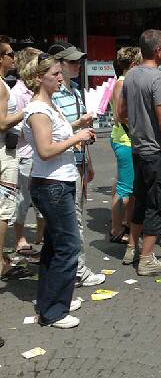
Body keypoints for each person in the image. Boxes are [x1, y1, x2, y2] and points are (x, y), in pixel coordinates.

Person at [23, 53, 96, 328]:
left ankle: (52, 300)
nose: (60, 77)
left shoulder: (49, 106)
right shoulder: (39, 110)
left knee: (55, 245)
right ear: (39, 77)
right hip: (51, 184)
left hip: (59, 182)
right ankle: (54, 311)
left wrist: (78, 127)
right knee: (68, 245)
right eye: (54, 74)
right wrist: (76, 137)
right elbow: (44, 150)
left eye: (59, 73)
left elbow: (55, 136)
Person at [118, 29, 161, 273]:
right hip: (154, 151)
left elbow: (120, 113)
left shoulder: (130, 75)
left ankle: (132, 248)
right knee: (158, 202)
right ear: (158, 51)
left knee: (140, 200)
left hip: (137, 149)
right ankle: (146, 258)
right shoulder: (158, 78)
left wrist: (138, 122)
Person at [48, 42, 105, 288]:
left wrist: (88, 161)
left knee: (74, 218)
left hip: (78, 162)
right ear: (58, 65)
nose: (77, 65)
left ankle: (71, 268)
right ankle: (77, 270)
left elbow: (83, 132)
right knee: (73, 222)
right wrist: (77, 126)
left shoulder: (76, 91)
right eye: (71, 62)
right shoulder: (52, 95)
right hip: (61, 165)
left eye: (78, 61)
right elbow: (52, 132)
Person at [12, 47, 45, 256]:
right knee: (23, 199)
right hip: (25, 154)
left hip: (40, 154)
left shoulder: (39, 89)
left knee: (42, 199)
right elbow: (15, 132)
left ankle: (41, 235)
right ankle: (19, 237)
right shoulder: (18, 93)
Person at [109, 46, 141, 243]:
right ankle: (116, 228)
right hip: (124, 139)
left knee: (127, 187)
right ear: (133, 64)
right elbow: (119, 115)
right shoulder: (122, 83)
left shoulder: (126, 82)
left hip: (126, 139)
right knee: (124, 189)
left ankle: (127, 224)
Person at [0, 36, 25, 280]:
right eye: (10, 54)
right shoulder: (1, 86)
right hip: (3, 153)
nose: (13, 58)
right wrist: (24, 112)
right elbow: (2, 122)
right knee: (4, 210)